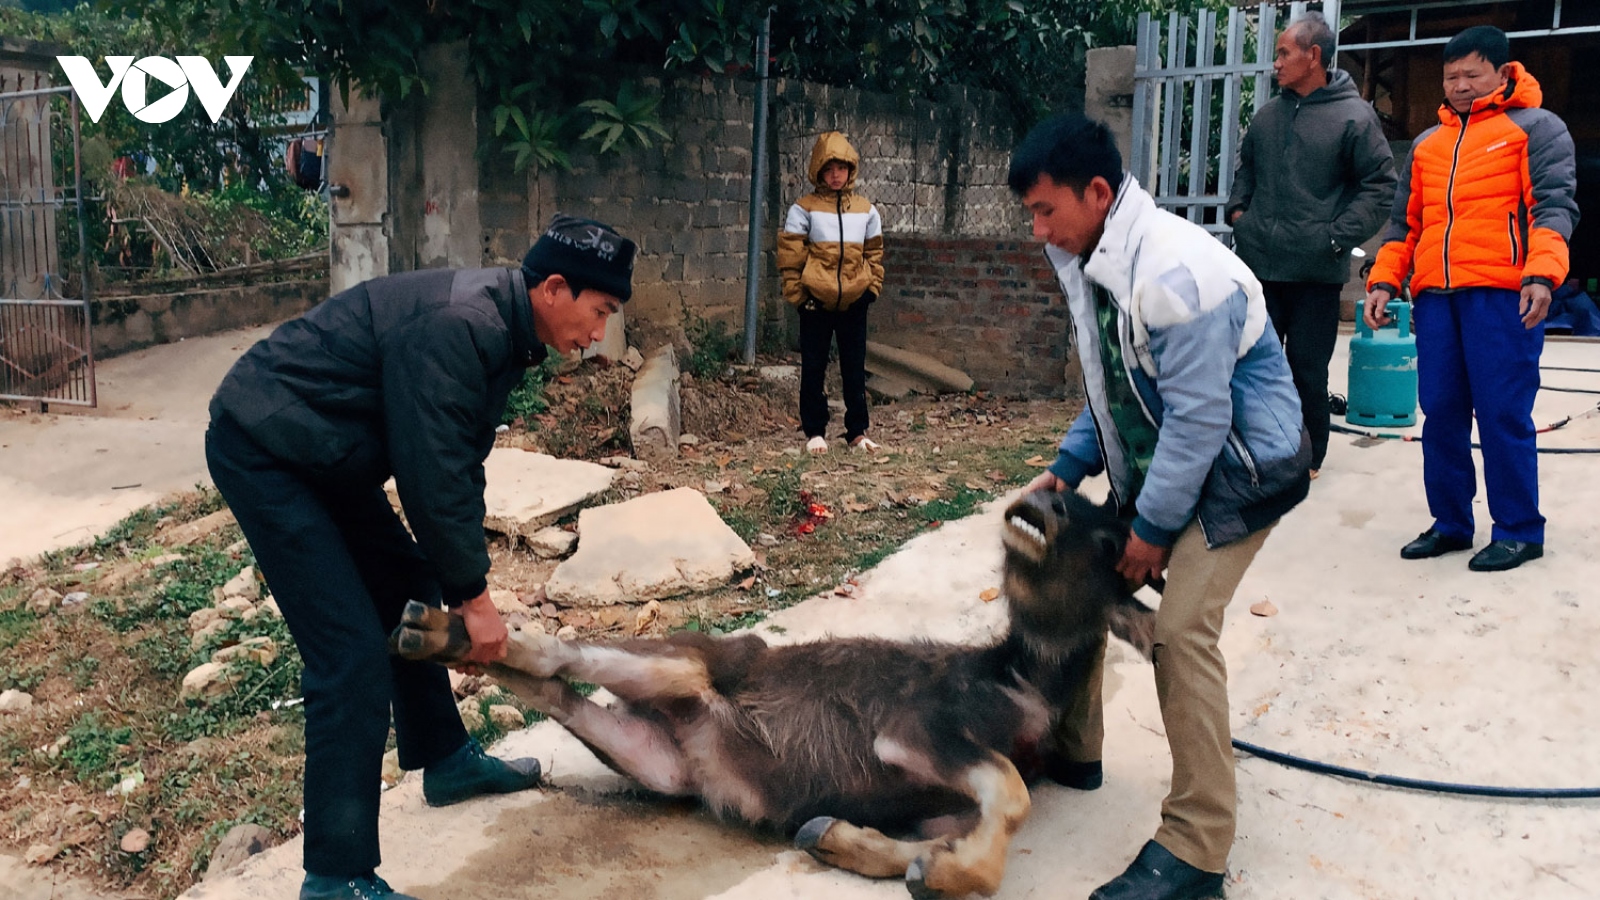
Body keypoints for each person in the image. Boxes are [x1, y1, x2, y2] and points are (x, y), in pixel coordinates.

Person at [205, 214, 636, 900]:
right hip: (268, 448)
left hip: (323, 450)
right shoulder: (462, 326)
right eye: (599, 311)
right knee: (349, 656)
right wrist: (475, 599)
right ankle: (336, 877)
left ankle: (443, 759)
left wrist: (461, 585)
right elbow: (430, 476)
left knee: (407, 583)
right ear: (555, 288)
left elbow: (457, 463)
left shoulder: (501, 330)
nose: (597, 333)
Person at [1008, 114, 1310, 900]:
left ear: (1098, 192)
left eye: (1047, 211)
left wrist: (1149, 533)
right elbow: (1114, 384)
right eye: (1032, 214)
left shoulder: (1174, 273)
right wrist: (1066, 471)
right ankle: (1074, 749)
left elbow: (1201, 420)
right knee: (1072, 563)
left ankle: (1197, 848)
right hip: (1177, 462)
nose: (1039, 229)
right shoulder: (1095, 256)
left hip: (1243, 474)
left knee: (1180, 635)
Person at [1364, 25, 1578, 573]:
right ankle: (1452, 523)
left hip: (1502, 296)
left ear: (1503, 73)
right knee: (1441, 414)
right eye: (1450, 76)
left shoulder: (1535, 130)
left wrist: (1542, 274)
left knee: (1503, 413)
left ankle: (1519, 530)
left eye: (1471, 74)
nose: (1459, 86)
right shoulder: (1428, 145)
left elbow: (1553, 208)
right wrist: (1385, 281)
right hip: (1438, 298)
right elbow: (1405, 226)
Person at [1226, 10, 1396, 479]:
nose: (1275, 64)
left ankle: (1309, 456)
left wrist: (1336, 236)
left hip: (1316, 273)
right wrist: (1240, 214)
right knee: (1250, 363)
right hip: (1259, 266)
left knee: (1306, 368)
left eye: (1283, 53)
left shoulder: (1353, 118)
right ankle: (1253, 448)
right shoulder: (1267, 116)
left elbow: (1381, 185)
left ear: (1313, 55)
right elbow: (1247, 171)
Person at [778, 131, 885, 454]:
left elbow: (875, 253)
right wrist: (799, 297)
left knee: (854, 367)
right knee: (814, 367)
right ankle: (814, 432)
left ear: (851, 169)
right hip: (816, 303)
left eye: (841, 168)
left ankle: (857, 431)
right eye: (829, 169)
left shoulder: (866, 210)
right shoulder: (803, 209)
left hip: (855, 301)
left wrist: (871, 290)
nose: (836, 175)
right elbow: (790, 257)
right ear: (818, 171)